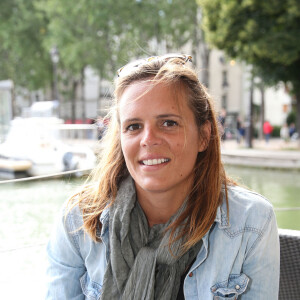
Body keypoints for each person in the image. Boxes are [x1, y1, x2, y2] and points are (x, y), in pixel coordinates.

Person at [46, 54, 280, 299]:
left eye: (168, 123)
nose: (148, 139)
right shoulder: (77, 221)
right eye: (133, 126)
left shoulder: (252, 221)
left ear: (203, 136)